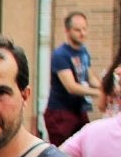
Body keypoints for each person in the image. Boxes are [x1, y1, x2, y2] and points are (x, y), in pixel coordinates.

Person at [43, 11, 101, 146]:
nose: (82, 33)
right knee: (63, 153)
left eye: (85, 29)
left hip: (79, 111)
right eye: (78, 30)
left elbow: (90, 77)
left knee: (85, 146)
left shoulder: (84, 51)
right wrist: (99, 93)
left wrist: (105, 87)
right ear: (67, 31)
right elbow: (71, 87)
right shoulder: (61, 54)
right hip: (60, 113)